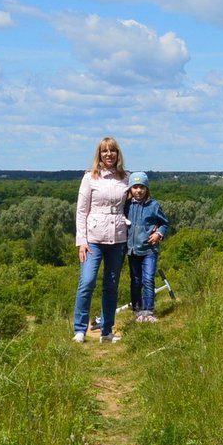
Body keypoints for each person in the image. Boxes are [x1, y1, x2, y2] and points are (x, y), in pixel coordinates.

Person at [73, 136, 130, 343]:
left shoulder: (126, 178)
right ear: (99, 154)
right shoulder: (90, 178)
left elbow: (136, 204)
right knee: (87, 282)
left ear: (117, 154)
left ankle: (106, 331)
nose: (109, 155)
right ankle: (80, 329)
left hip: (118, 238)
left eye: (112, 151)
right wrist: (82, 241)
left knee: (111, 286)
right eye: (105, 151)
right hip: (93, 239)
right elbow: (81, 211)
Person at [125, 171, 169, 323]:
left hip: (149, 249)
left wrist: (159, 234)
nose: (138, 190)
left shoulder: (153, 205)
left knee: (148, 279)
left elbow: (164, 223)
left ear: (147, 189)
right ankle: (137, 312)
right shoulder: (127, 205)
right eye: (135, 187)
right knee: (135, 281)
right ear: (130, 189)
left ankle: (149, 311)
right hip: (132, 250)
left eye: (142, 187)